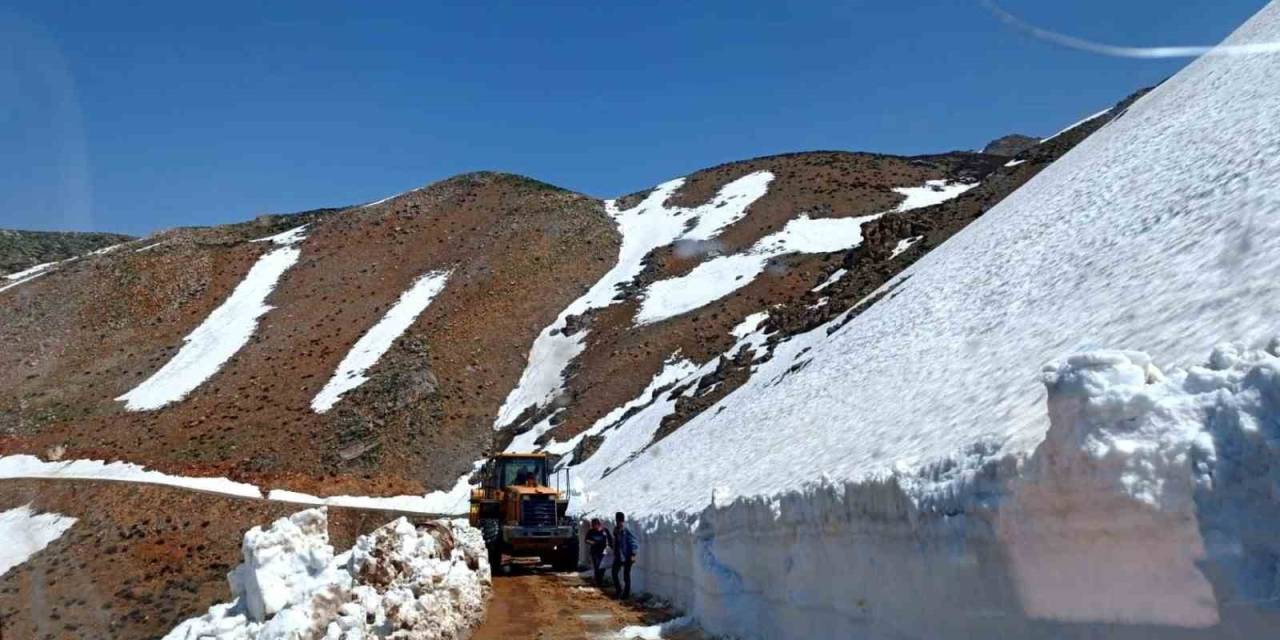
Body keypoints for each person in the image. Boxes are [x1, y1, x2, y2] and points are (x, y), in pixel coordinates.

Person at [610, 511, 639, 599]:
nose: (618, 522)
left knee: (626, 575)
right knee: (614, 572)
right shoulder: (617, 529)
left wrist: (633, 554)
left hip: (627, 555)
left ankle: (625, 595)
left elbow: (634, 542)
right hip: (619, 555)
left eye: (619, 521)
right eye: (617, 521)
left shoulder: (626, 529)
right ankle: (619, 590)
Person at [584, 518, 612, 587]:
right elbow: (586, 540)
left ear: (598, 524)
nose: (593, 527)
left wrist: (610, 547)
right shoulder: (591, 531)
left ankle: (600, 580)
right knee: (597, 566)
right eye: (592, 525)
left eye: (594, 525)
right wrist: (591, 542)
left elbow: (610, 539)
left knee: (602, 567)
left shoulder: (604, 531)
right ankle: (598, 582)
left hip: (603, 551)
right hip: (595, 551)